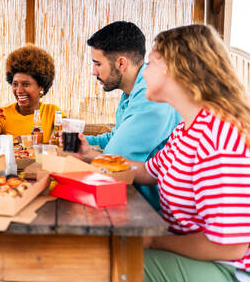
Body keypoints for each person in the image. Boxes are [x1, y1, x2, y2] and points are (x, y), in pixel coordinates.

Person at [124, 24, 250, 282]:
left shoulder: (218, 138)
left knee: (109, 265)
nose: (143, 74)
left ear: (174, 66)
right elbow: (147, 172)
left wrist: (154, 241)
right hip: (201, 257)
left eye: (150, 63)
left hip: (228, 268)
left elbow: (230, 246)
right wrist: (90, 160)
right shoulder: (187, 130)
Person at [74, 21, 181, 212]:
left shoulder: (150, 95)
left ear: (121, 63)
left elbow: (116, 157)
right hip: (135, 197)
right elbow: (115, 137)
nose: (93, 72)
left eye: (97, 64)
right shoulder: (129, 94)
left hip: (154, 210)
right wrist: (82, 142)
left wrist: (87, 155)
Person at [0, 44, 62, 151]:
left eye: (26, 84)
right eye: (15, 84)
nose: (18, 90)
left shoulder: (53, 112)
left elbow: (68, 145)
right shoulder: (1, 116)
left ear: (41, 87)